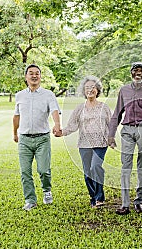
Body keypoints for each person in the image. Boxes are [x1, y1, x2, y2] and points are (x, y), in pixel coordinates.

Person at [108, 62, 142, 215]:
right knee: (126, 166)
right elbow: (117, 113)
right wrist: (111, 135)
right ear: (131, 73)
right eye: (135, 70)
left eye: (141, 71)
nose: (138, 73)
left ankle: (139, 201)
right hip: (127, 130)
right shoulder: (124, 90)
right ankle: (125, 204)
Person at [57, 76, 111, 209]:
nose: (90, 90)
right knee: (87, 173)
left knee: (95, 167)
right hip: (84, 144)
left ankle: (100, 197)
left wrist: (112, 139)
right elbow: (72, 125)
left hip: (100, 143)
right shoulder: (79, 108)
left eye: (93, 87)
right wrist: (62, 132)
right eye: (87, 88)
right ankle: (93, 197)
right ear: (84, 91)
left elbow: (111, 124)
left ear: (98, 90)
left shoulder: (104, 107)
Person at [13, 64, 61, 211]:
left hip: (42, 138)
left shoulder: (48, 94)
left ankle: (47, 190)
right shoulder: (19, 95)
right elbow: (16, 116)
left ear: (40, 77)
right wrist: (15, 133)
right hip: (24, 139)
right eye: (31, 73)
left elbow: (54, 111)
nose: (34, 76)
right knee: (25, 171)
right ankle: (30, 200)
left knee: (43, 169)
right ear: (26, 77)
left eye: (37, 73)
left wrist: (57, 125)